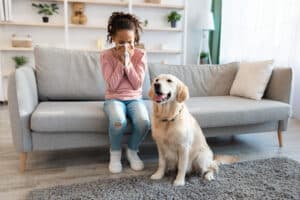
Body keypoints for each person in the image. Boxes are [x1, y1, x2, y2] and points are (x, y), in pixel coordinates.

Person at [100, 12, 150, 173]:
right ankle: (115, 154)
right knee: (118, 122)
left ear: (135, 39)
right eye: (121, 43)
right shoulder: (106, 56)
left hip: (134, 98)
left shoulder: (140, 55)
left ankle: (132, 150)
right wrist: (121, 63)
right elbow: (112, 86)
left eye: (130, 42)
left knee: (144, 122)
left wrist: (128, 63)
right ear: (113, 38)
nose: (126, 47)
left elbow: (136, 85)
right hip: (114, 98)